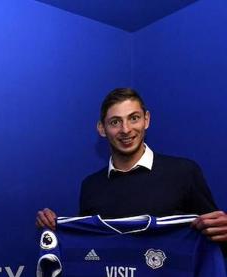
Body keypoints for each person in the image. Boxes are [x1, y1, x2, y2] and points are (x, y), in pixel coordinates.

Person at [36, 87, 227, 247]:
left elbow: (214, 240)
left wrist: (223, 232)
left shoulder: (184, 173)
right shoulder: (91, 186)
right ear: (102, 129)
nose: (126, 129)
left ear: (147, 119)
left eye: (133, 118)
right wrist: (54, 227)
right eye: (115, 122)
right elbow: (88, 248)